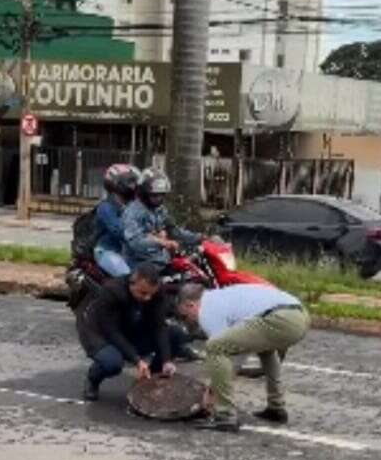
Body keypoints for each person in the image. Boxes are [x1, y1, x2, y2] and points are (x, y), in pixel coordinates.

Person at [174, 282, 310, 432]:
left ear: (190, 305)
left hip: (281, 318)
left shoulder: (206, 310)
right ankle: (276, 407)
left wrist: (212, 392)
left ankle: (225, 415)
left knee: (214, 347)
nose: (188, 322)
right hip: (300, 315)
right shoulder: (220, 296)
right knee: (266, 349)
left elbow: (227, 354)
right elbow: (239, 346)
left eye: (184, 317)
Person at [77, 262, 191, 402]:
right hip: (100, 333)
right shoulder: (112, 291)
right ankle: (92, 380)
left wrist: (167, 360)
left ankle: (151, 379)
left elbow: (159, 326)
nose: (148, 298)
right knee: (112, 363)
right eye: (143, 293)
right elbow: (112, 332)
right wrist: (137, 360)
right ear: (132, 283)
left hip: (131, 327)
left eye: (151, 294)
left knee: (176, 334)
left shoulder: (156, 291)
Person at [121, 169, 200, 269]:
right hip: (139, 265)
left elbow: (174, 231)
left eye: (162, 194)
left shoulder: (159, 210)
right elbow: (135, 242)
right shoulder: (132, 212)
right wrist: (162, 242)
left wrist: (200, 238)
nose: (159, 198)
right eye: (154, 195)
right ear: (144, 192)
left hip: (160, 261)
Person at [94, 163, 140, 277]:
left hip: (129, 253)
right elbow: (119, 231)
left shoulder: (133, 206)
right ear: (116, 184)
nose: (133, 186)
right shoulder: (106, 208)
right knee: (129, 278)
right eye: (130, 182)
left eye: (135, 182)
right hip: (108, 251)